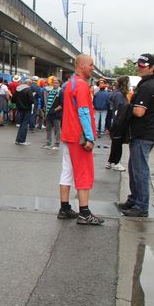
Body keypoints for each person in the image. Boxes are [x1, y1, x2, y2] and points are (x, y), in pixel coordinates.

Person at [58, 54, 104, 225]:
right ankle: (84, 212)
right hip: (79, 137)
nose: (93, 67)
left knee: (67, 171)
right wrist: (90, 138)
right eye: (91, 65)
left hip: (68, 134)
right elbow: (84, 112)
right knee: (84, 172)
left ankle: (64, 207)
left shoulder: (69, 84)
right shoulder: (83, 86)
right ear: (82, 65)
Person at [119, 53, 154, 218]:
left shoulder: (146, 86)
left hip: (143, 133)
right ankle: (135, 199)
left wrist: (126, 108)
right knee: (134, 168)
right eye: (139, 64)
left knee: (140, 170)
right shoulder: (148, 84)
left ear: (151, 68)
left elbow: (139, 111)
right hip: (143, 133)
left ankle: (141, 205)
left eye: (143, 65)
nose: (139, 67)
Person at [106, 76, 130, 172]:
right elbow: (121, 109)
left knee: (115, 143)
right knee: (118, 143)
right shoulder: (120, 95)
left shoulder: (116, 93)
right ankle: (116, 162)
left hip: (115, 121)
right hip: (119, 121)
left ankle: (110, 161)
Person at [42, 77, 63, 150]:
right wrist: (46, 111)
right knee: (48, 129)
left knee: (57, 130)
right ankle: (48, 143)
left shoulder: (61, 91)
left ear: (59, 84)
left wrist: (54, 110)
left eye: (56, 83)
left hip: (56, 114)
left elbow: (62, 104)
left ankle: (56, 145)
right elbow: (47, 102)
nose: (55, 84)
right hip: (48, 113)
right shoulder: (50, 91)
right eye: (54, 82)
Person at [13, 77, 33, 146]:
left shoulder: (18, 89)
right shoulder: (28, 90)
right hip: (27, 109)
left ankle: (18, 140)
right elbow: (31, 101)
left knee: (21, 124)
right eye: (31, 83)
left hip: (19, 109)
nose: (31, 85)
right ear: (28, 83)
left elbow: (13, 99)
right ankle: (22, 140)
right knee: (24, 125)